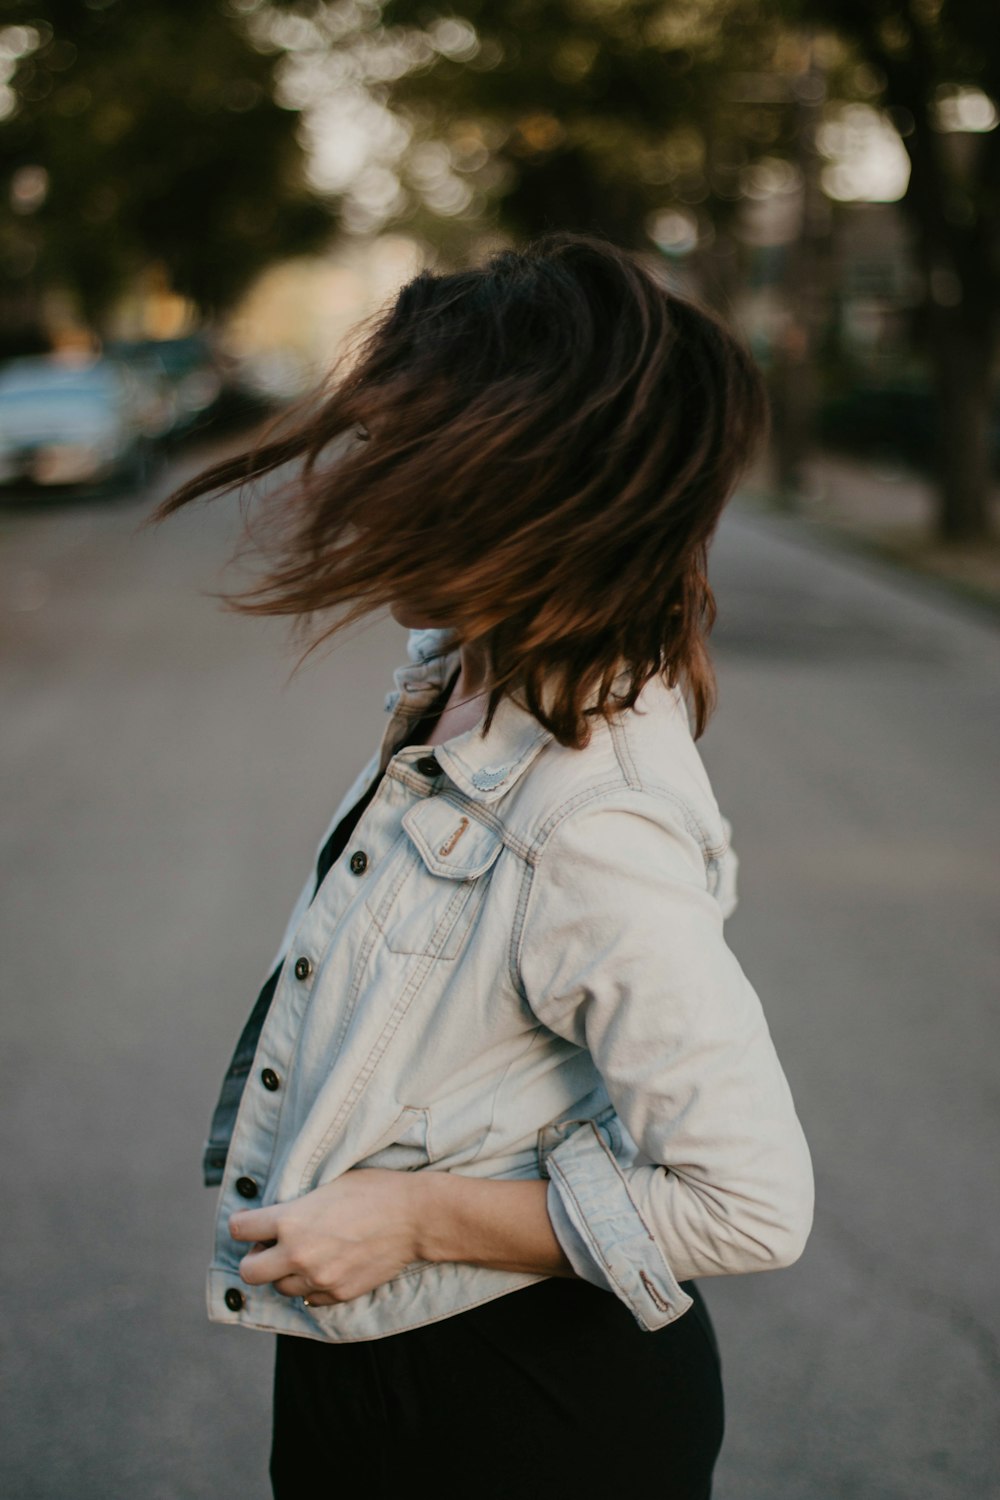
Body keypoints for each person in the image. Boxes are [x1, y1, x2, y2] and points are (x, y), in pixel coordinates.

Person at [153, 232, 813, 1499]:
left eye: (399, 443)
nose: (361, 473)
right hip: (378, 1360)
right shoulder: (464, 686)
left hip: (520, 1409)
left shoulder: (586, 818)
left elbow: (749, 1203)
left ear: (511, 483)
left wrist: (411, 1217)